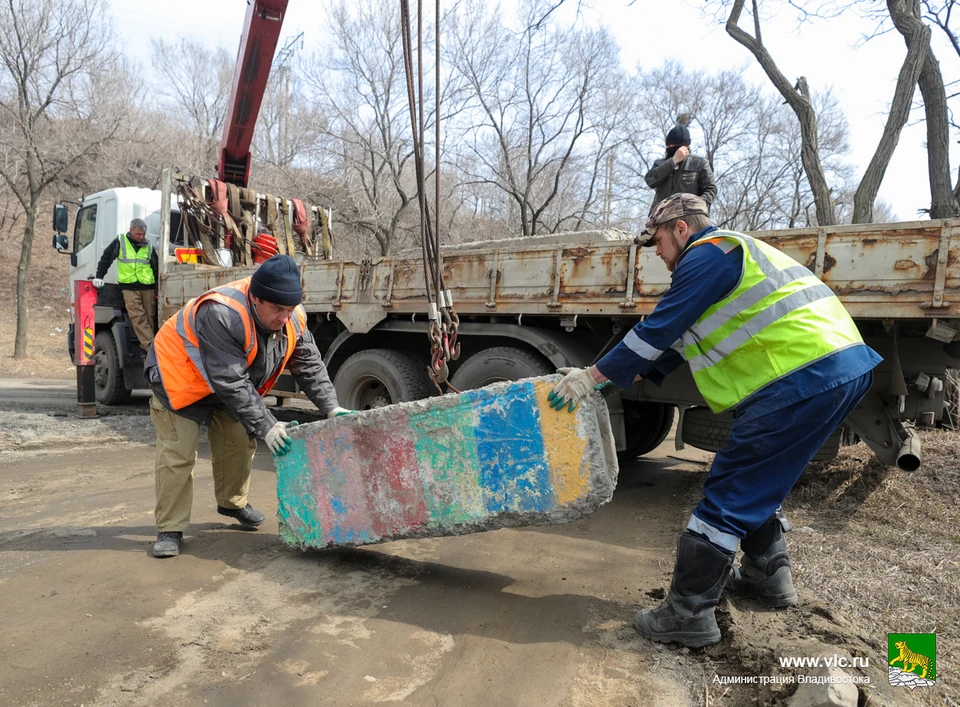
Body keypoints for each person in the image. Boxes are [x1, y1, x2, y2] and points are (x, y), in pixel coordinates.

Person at [549, 193, 881, 648]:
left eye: (659, 242)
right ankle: (768, 576)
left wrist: (590, 377)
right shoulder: (731, 257)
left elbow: (656, 331)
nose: (659, 254)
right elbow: (672, 345)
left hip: (800, 375)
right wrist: (611, 381)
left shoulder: (708, 254)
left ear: (681, 230)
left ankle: (688, 612)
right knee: (759, 478)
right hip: (838, 368)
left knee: (730, 489)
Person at [144, 254, 351, 558]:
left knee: (239, 441)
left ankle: (232, 504)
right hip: (179, 379)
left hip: (224, 383)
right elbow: (230, 379)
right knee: (178, 453)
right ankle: (170, 529)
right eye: (277, 309)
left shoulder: (293, 317)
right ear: (255, 299)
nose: (284, 318)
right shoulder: (222, 313)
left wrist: (332, 408)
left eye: (289, 309)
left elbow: (308, 364)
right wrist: (268, 425)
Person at [92, 218, 158, 351]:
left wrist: (157, 286)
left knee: (150, 317)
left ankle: (150, 346)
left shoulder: (148, 246)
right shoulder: (120, 242)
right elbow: (106, 258)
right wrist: (99, 276)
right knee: (137, 318)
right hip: (129, 287)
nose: (141, 237)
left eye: (143, 234)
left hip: (148, 287)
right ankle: (152, 348)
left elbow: (155, 266)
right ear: (131, 230)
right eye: (138, 234)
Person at [644, 122, 717, 213]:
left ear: (685, 147)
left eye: (673, 146)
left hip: (690, 217)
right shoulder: (660, 164)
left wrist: (695, 206)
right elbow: (650, 180)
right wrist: (673, 161)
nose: (670, 149)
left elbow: (711, 190)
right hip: (661, 217)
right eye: (668, 146)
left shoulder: (699, 163)